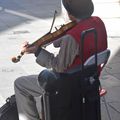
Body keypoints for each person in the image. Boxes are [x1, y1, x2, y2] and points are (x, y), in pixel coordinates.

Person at [14, 0, 108, 120]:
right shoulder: (97, 22)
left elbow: (58, 66)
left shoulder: (72, 37)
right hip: (91, 81)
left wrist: (37, 51)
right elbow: (70, 41)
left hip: (68, 85)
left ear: (70, 14)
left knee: (20, 83)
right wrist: (59, 37)